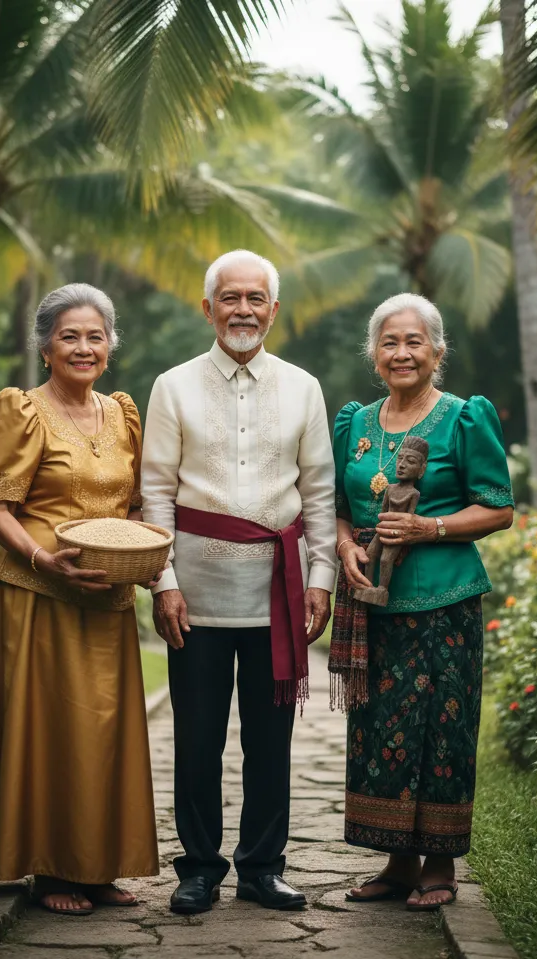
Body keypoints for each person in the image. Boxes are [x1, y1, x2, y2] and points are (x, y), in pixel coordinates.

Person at [142, 250, 337, 914]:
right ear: (208, 308)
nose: (243, 310)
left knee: (269, 741)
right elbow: (155, 494)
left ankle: (262, 866)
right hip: (192, 595)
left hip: (277, 596)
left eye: (256, 298)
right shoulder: (173, 386)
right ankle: (198, 868)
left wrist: (321, 577)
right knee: (196, 738)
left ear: (274, 311)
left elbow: (318, 495)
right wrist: (162, 581)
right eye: (230, 298)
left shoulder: (304, 387)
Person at [0, 283, 159, 915]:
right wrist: (45, 558)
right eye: (69, 336)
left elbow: (131, 502)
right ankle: (50, 870)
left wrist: (142, 552)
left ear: (110, 346)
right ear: (45, 346)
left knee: (103, 731)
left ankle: (95, 866)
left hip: (107, 595)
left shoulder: (124, 412)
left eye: (95, 336)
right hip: (39, 591)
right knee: (49, 730)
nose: (83, 347)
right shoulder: (21, 409)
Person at [328, 293, 514, 910]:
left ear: (437, 350)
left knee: (442, 728)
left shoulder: (464, 417)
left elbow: (499, 507)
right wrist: (343, 548)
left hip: (445, 603)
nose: (402, 353)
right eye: (390, 342)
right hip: (373, 605)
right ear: (374, 354)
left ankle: (439, 864)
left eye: (414, 342)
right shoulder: (354, 423)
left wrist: (429, 528)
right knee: (381, 729)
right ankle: (396, 860)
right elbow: (334, 506)